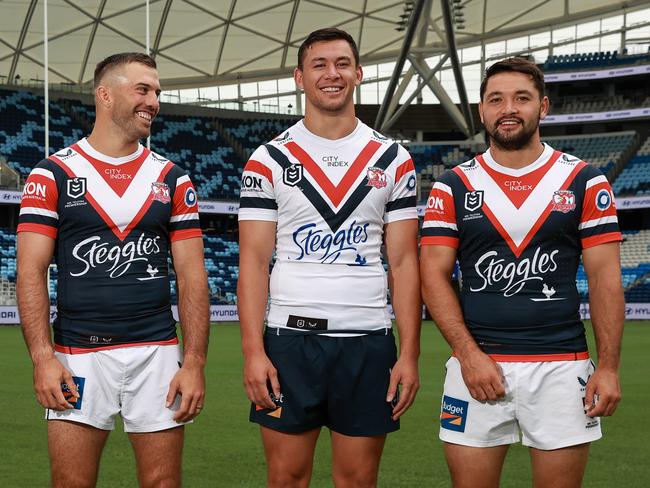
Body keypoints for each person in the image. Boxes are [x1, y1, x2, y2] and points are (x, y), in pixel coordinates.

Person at [420, 57, 624, 487]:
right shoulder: (453, 185)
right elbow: (432, 275)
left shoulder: (584, 180)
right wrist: (468, 355)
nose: (508, 108)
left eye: (521, 98)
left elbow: (606, 281)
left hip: (562, 367)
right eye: (496, 99)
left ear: (543, 106)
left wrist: (607, 367)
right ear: (482, 110)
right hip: (476, 368)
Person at [237, 27, 421, 487]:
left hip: (368, 343)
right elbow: (254, 262)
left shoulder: (393, 158)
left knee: (357, 481)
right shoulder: (268, 159)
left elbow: (403, 263)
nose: (331, 74)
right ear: (300, 77)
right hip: (290, 343)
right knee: (286, 478)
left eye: (342, 64)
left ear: (358, 73)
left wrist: (410, 354)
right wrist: (253, 351)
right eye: (319, 65)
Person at [17, 52, 210, 488]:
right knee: (71, 482)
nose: (154, 101)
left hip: (157, 353)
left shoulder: (173, 177)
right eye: (142, 89)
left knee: (163, 483)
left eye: (157, 92)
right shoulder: (52, 174)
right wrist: (43, 358)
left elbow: (193, 276)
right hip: (77, 354)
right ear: (104, 95)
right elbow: (31, 272)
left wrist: (194, 361)